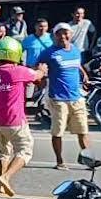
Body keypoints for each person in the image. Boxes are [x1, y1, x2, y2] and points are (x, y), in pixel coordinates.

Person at [0, 38, 46, 196]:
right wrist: (42, 68)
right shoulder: (19, 71)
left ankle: (0, 186)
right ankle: (6, 177)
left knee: (2, 153)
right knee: (25, 150)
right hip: (14, 121)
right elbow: (37, 75)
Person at [40, 23, 95, 170]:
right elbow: (39, 66)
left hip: (76, 97)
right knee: (58, 132)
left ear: (71, 35)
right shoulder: (49, 52)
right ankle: (60, 161)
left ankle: (88, 159)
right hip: (58, 99)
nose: (63, 36)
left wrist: (84, 75)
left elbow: (77, 65)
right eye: (60, 34)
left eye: (66, 33)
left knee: (83, 130)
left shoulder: (75, 50)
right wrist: (41, 75)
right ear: (55, 35)